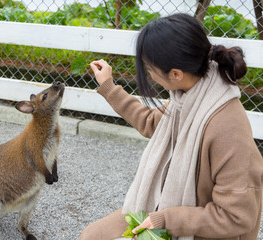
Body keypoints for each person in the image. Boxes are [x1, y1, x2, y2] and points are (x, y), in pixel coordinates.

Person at [79, 13, 263, 240]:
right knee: (91, 236)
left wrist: (167, 220)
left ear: (175, 74)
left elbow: (236, 217)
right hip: (165, 208)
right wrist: (108, 86)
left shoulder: (227, 128)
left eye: (150, 69)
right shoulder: (188, 95)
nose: (149, 75)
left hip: (204, 231)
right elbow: (150, 122)